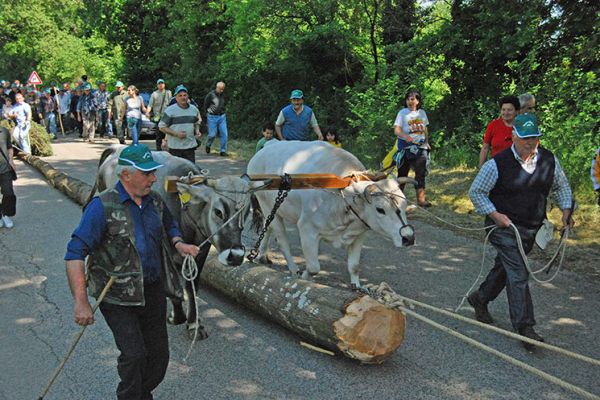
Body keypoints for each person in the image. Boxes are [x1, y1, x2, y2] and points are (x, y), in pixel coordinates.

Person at [64, 144, 199, 400]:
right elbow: (74, 254)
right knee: (135, 355)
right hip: (117, 296)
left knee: (159, 359)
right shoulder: (101, 207)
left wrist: (178, 242)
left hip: (152, 290)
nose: (153, 179)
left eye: (153, 173)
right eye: (146, 173)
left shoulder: (155, 201)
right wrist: (80, 302)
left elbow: (170, 224)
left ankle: (139, 393)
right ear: (125, 175)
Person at [468, 114, 574, 351]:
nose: (530, 142)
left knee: (506, 268)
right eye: (525, 137)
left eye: (534, 137)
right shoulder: (497, 163)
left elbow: (561, 187)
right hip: (502, 227)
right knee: (518, 273)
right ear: (514, 135)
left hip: (531, 227)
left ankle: (481, 298)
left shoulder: (549, 160)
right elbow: (476, 192)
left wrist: (566, 209)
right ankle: (525, 328)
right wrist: (495, 215)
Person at [393, 89, 432, 207]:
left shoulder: (422, 113)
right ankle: (397, 200)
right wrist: (405, 136)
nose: (410, 101)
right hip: (405, 148)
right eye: (408, 99)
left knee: (421, 173)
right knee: (402, 175)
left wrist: (427, 142)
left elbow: (425, 129)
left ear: (417, 101)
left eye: (412, 99)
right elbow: (397, 130)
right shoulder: (402, 113)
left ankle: (421, 200)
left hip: (420, 148)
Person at [159, 85, 202, 163]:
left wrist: (197, 130)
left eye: (185, 95)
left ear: (187, 96)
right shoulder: (170, 110)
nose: (183, 97)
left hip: (190, 147)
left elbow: (197, 121)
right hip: (175, 148)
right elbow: (161, 127)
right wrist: (176, 134)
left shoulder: (194, 109)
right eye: (180, 96)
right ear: (176, 98)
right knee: (176, 174)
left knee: (190, 172)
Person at [478, 95, 520, 168]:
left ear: (516, 111)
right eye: (503, 110)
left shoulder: (523, 126)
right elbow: (485, 148)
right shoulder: (493, 125)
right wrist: (481, 167)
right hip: (497, 167)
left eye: (509, 110)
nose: (506, 113)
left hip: (517, 168)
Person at [203, 81, 228, 156]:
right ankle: (208, 145)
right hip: (212, 117)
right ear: (217, 87)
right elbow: (205, 104)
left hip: (222, 117)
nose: (221, 90)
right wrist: (207, 113)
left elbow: (225, 103)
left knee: (224, 134)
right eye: (220, 89)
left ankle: (223, 150)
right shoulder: (211, 95)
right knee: (212, 135)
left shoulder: (224, 95)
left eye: (223, 89)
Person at [147, 79, 172, 150]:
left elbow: (171, 103)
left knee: (168, 132)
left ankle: (169, 148)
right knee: (159, 133)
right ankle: (158, 149)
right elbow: (150, 105)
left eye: (162, 83)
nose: (161, 85)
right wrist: (147, 112)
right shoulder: (154, 94)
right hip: (158, 117)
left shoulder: (168, 92)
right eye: (159, 83)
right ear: (157, 85)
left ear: (164, 84)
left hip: (167, 116)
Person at [0, 126, 17, 229]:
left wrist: (11, 160)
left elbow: (9, 147)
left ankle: (5, 214)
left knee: (8, 193)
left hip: (5, 167)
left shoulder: (4, 131)